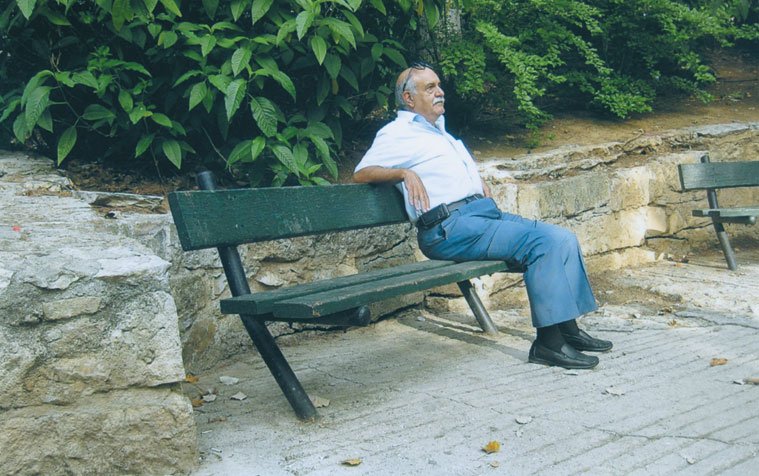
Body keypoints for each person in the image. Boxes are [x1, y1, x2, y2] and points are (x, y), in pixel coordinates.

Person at [352, 62, 612, 369]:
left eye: (439, 85)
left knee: (564, 238)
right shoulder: (397, 132)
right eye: (430, 87)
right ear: (408, 99)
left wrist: (475, 183)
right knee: (544, 243)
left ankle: (567, 329)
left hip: (478, 215)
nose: (440, 92)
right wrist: (403, 173)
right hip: (448, 228)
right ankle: (549, 344)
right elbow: (361, 172)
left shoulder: (438, 129)